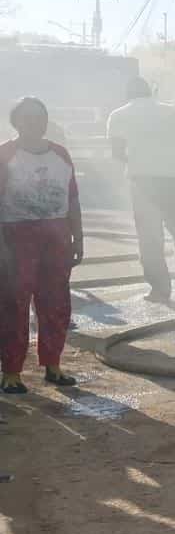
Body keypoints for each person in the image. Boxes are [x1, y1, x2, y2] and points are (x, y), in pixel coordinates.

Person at [1, 98, 84, 393]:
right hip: (16, 239)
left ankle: (53, 365)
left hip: (57, 237)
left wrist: (78, 236)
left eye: (40, 116)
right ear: (16, 121)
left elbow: (72, 198)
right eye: (28, 117)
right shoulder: (5, 154)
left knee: (56, 303)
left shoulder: (60, 154)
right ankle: (11, 372)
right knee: (14, 304)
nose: (35, 122)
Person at [106, 78, 175, 302]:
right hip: (174, 181)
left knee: (150, 238)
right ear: (150, 92)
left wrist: (137, 162)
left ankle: (160, 289)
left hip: (143, 183)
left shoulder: (118, 115)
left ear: (128, 94)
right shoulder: (171, 112)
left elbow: (116, 153)